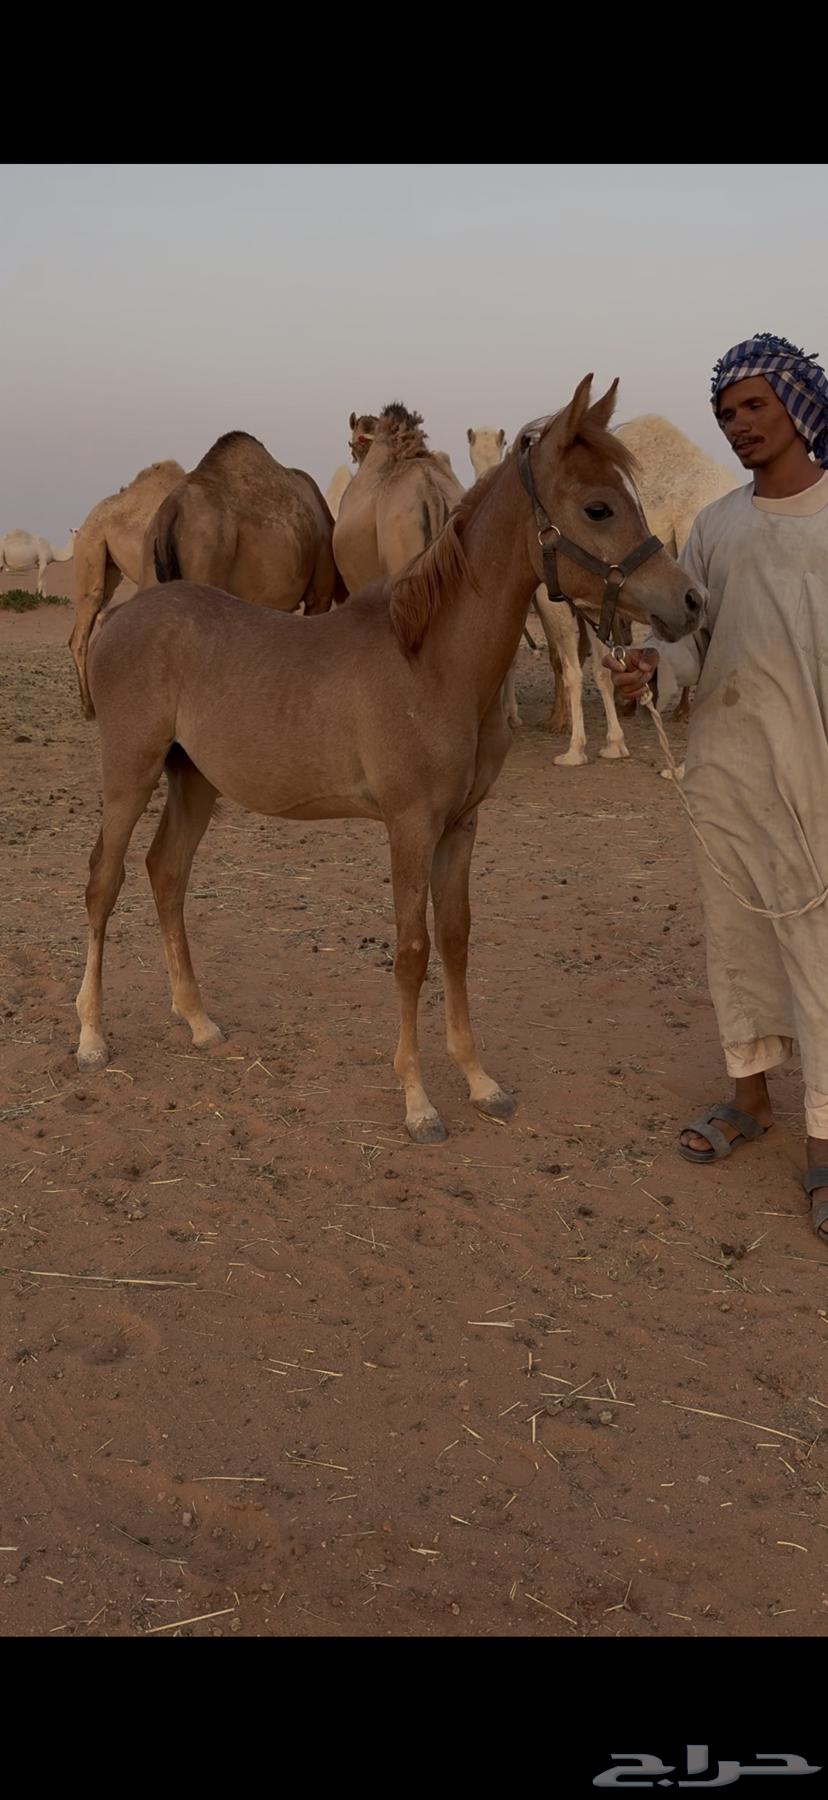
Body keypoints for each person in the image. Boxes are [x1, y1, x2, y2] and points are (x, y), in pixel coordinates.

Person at [606, 332, 828, 1240]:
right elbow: (690, 640)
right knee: (736, 938)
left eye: (753, 407)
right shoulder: (717, 525)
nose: (738, 426)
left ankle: (824, 1138)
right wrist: (648, 673)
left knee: (818, 950)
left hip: (815, 770)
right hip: (726, 767)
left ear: (798, 405)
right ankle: (750, 1099)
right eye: (726, 414)